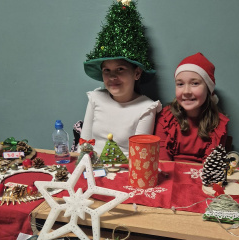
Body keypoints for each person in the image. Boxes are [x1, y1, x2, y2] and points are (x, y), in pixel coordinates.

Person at [80, 0, 161, 157]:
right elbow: (84, 144)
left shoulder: (146, 108)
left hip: (125, 169)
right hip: (91, 166)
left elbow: (139, 155)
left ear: (137, 73)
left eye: (120, 69)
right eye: (107, 70)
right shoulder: (96, 98)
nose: (112, 76)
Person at [154, 53, 229, 163]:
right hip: (169, 172)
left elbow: (210, 167)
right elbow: (163, 161)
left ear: (208, 89)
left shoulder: (219, 124)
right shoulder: (166, 118)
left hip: (201, 173)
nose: (186, 92)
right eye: (180, 84)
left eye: (195, 83)